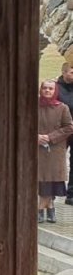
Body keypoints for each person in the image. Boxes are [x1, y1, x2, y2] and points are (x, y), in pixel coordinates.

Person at [39, 79, 73, 224]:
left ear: (55, 91)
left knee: (51, 180)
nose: (47, 91)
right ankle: (49, 208)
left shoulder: (62, 108)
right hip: (38, 150)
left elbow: (69, 127)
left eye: (50, 89)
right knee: (42, 180)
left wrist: (50, 137)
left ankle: (42, 209)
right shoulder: (33, 106)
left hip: (55, 150)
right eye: (45, 88)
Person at [57, 63, 73, 204]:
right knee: (56, 161)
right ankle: (50, 195)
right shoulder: (56, 88)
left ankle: (71, 195)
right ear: (64, 72)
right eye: (71, 72)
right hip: (60, 131)